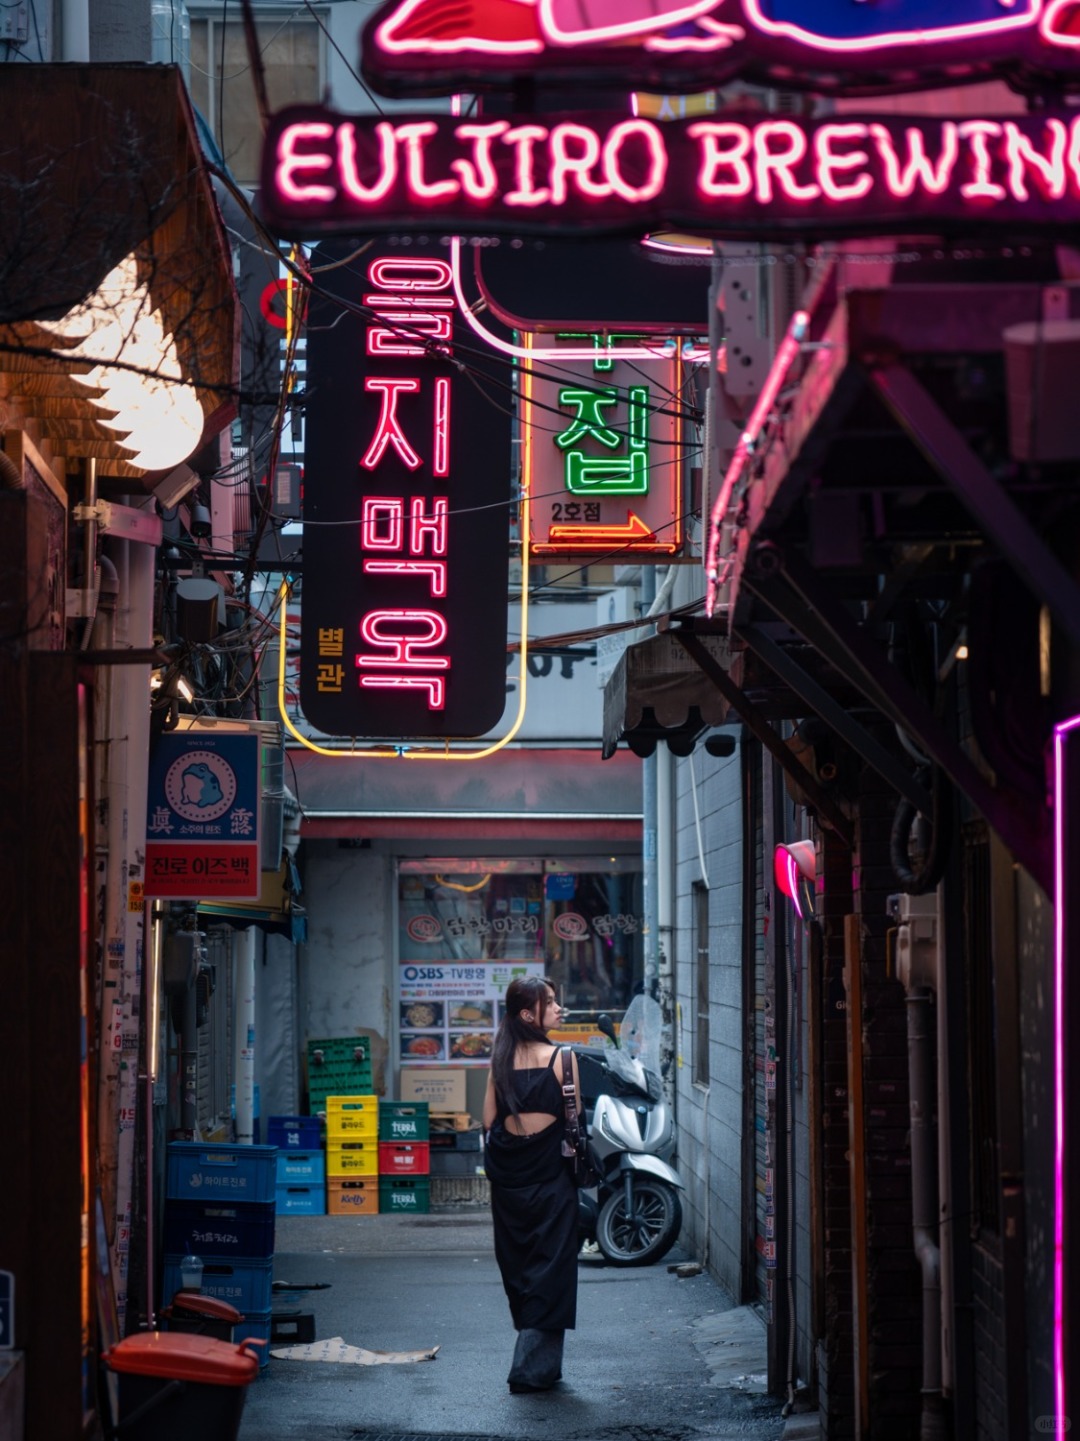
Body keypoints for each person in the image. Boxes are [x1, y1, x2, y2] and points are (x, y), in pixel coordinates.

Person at [483, 976, 582, 1393]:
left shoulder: (499, 1059)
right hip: (551, 1177)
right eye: (552, 1003)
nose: (560, 1009)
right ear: (529, 1014)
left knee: (520, 1267)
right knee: (552, 1270)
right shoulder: (564, 1058)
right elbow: (574, 1123)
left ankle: (545, 1365)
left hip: (508, 1178)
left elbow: (488, 1120)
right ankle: (530, 1371)